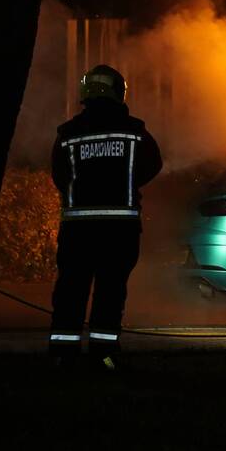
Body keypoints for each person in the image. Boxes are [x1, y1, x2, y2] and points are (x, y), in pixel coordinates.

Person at [48, 64, 162, 370]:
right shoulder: (135, 133)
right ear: (118, 92)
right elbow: (153, 165)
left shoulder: (67, 134)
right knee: (110, 292)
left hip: (77, 230)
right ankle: (104, 356)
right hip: (119, 229)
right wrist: (125, 183)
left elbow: (59, 176)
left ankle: (63, 355)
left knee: (70, 290)